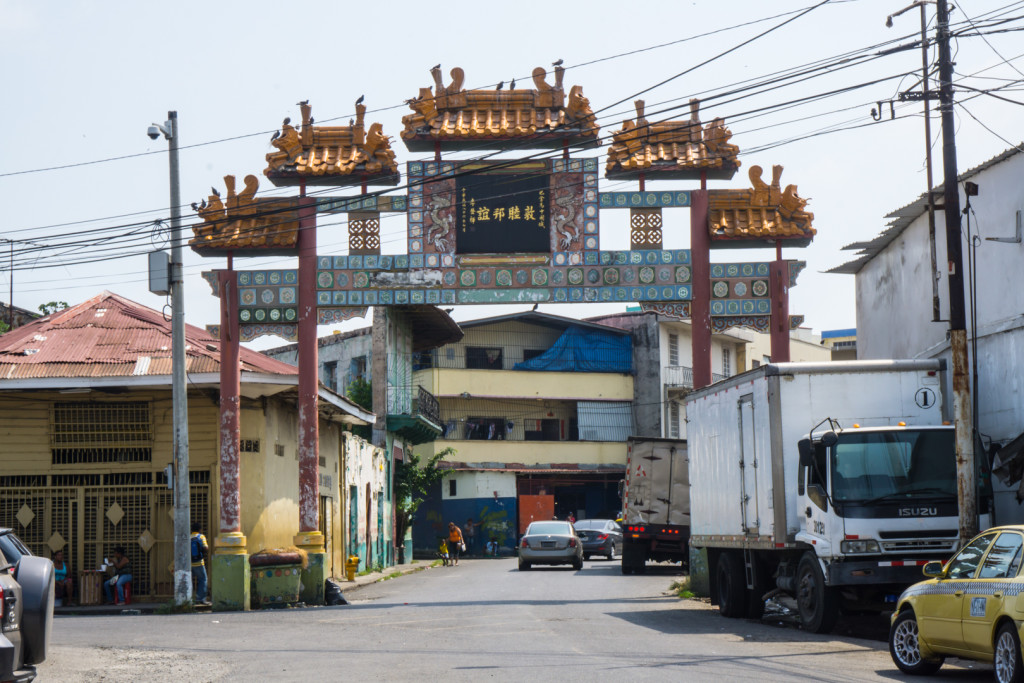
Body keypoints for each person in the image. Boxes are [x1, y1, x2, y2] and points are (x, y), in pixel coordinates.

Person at [191, 522, 209, 605]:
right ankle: (201, 599)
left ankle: (188, 599)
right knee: (203, 579)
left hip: (189, 564)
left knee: (189, 581)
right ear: (199, 529)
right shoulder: (201, 537)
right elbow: (206, 547)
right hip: (199, 563)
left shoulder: (188, 537)